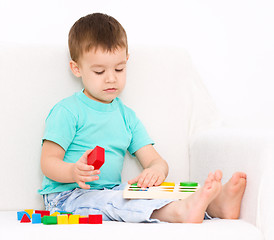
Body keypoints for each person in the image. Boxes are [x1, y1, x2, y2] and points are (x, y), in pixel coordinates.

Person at [38, 13, 246, 223]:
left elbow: (155, 159)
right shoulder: (68, 111)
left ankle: (216, 205)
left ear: (127, 60)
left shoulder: (126, 117)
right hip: (66, 198)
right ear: (76, 68)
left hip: (110, 191)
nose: (111, 78)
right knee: (119, 200)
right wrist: (73, 171)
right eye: (99, 71)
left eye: (119, 69)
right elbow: (48, 162)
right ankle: (178, 212)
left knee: (138, 194)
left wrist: (156, 171)